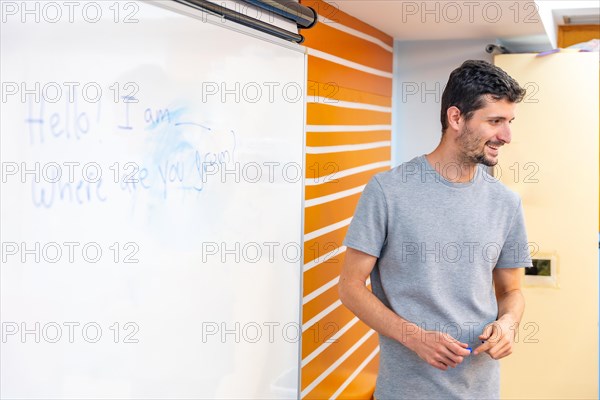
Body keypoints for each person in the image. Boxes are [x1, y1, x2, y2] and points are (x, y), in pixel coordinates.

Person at [339, 59, 533, 399]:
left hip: (481, 390)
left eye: (509, 122)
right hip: (407, 390)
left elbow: (511, 292)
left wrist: (508, 324)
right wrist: (414, 337)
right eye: (495, 121)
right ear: (456, 117)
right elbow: (350, 288)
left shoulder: (506, 203)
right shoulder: (388, 190)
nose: (506, 136)